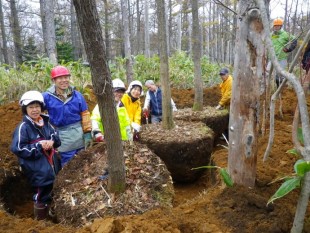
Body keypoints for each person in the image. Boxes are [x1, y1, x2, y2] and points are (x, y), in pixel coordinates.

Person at [10, 91, 61, 220]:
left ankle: (52, 213)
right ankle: (41, 222)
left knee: (53, 190)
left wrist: (52, 142)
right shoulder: (23, 127)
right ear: (25, 109)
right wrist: (39, 146)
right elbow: (18, 148)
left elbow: (56, 137)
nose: (35, 110)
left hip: (52, 166)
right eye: (31, 107)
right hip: (36, 168)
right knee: (41, 193)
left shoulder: (46, 123)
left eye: (37, 106)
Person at [43, 65, 92, 167]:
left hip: (79, 136)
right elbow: (38, 113)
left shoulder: (77, 95)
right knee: (68, 166)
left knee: (84, 164)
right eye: (60, 78)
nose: (64, 80)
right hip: (62, 137)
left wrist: (87, 133)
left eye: (66, 77)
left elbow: (85, 114)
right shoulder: (46, 97)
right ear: (54, 80)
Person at [270, 18, 297, 87]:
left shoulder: (285, 34)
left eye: (278, 26)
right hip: (271, 58)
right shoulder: (271, 34)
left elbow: (294, 40)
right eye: (275, 26)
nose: (276, 27)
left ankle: (280, 90)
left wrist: (289, 49)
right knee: (267, 73)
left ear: (281, 26)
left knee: (278, 76)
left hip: (281, 58)